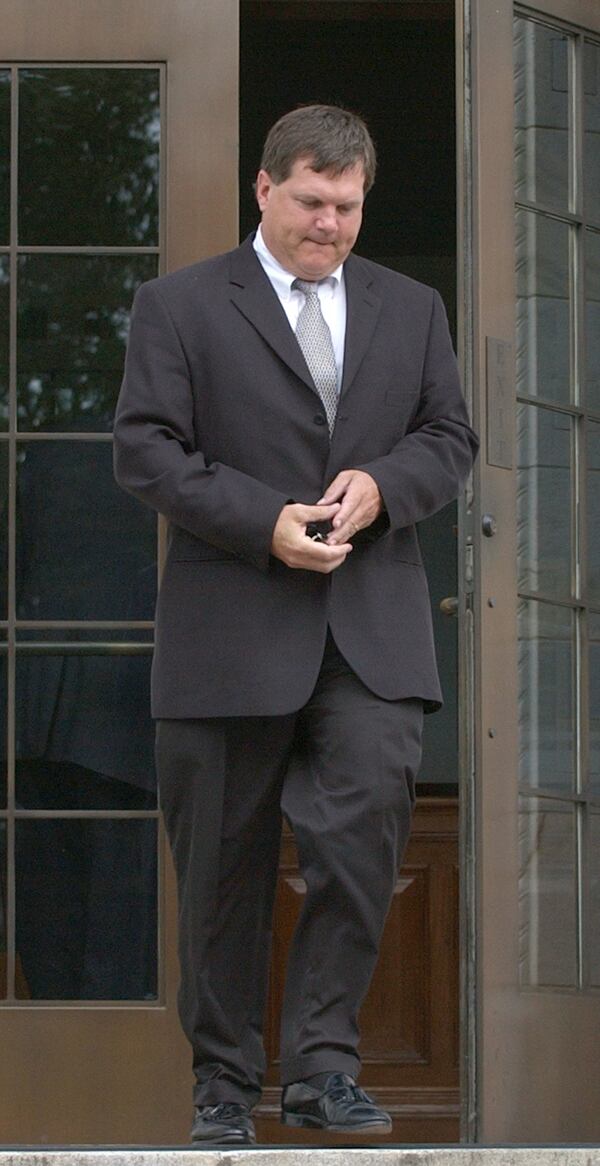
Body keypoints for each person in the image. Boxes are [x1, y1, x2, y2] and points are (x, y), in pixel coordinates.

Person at [113, 104, 478, 1146]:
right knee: (224, 871)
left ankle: (322, 1069)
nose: (330, 223)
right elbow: (145, 450)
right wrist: (262, 522)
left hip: (370, 629)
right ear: (264, 190)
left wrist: (385, 484)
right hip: (228, 629)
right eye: (312, 201)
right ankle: (224, 1084)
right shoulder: (176, 305)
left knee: (362, 836)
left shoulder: (411, 307)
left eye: (348, 205)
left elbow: (449, 434)